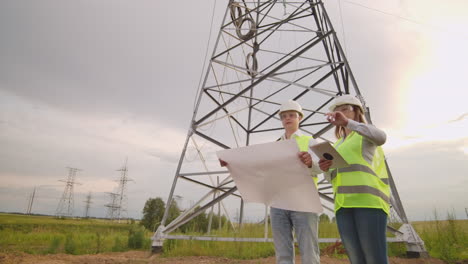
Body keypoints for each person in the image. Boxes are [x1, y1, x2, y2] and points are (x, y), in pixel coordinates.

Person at [220, 99, 321, 264]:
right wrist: (232, 163)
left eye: (292, 115)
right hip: (279, 203)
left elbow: (323, 168)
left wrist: (311, 163)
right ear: (281, 120)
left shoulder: (310, 141)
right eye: (284, 116)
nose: (287, 118)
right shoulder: (275, 145)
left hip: (304, 202)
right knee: (282, 253)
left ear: (299, 118)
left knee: (309, 251)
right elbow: (258, 168)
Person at [318, 94, 390, 264]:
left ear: (357, 111)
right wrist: (326, 169)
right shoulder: (337, 145)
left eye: (345, 109)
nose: (340, 113)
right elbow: (332, 178)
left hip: (368, 203)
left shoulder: (365, 135)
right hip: (343, 205)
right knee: (356, 259)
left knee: (375, 258)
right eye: (337, 111)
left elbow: (382, 137)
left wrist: (348, 123)